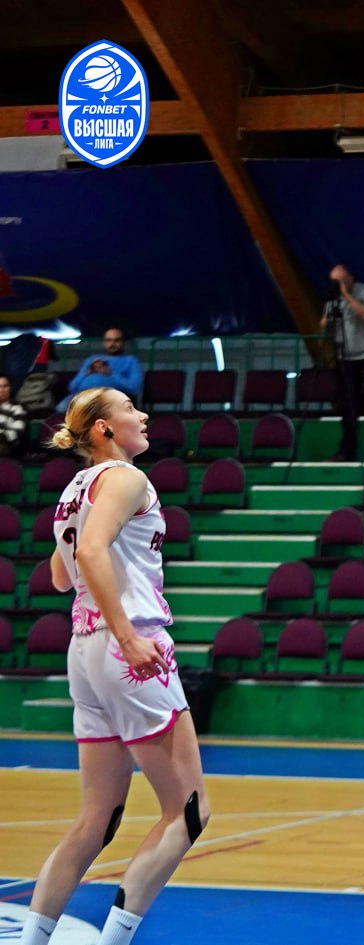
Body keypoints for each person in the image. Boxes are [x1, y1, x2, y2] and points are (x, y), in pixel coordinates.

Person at [20, 387, 210, 945]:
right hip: (126, 644)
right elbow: (89, 553)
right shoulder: (125, 477)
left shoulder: (75, 489)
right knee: (189, 811)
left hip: (84, 650)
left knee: (96, 820)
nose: (143, 414)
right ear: (103, 429)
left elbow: (60, 575)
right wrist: (127, 634)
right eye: (130, 408)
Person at [320, 264, 364, 460]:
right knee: (347, 404)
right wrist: (327, 318)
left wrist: (346, 295)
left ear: (350, 278)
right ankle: (347, 450)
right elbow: (324, 323)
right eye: (334, 281)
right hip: (345, 356)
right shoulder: (333, 298)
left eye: (341, 280)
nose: (338, 284)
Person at [58, 328, 141, 412]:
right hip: (82, 395)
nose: (112, 344)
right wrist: (87, 373)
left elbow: (134, 388)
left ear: (123, 342)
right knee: (61, 407)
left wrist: (110, 373)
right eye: (109, 340)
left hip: (108, 397)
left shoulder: (130, 360)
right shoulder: (91, 359)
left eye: (117, 340)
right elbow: (72, 387)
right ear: (104, 343)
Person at [0, 374, 28, 457]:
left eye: (5, 386)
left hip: (7, 445)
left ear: (10, 388)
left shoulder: (18, 408)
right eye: (0, 386)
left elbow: (17, 432)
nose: (2, 390)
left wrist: (2, 435)